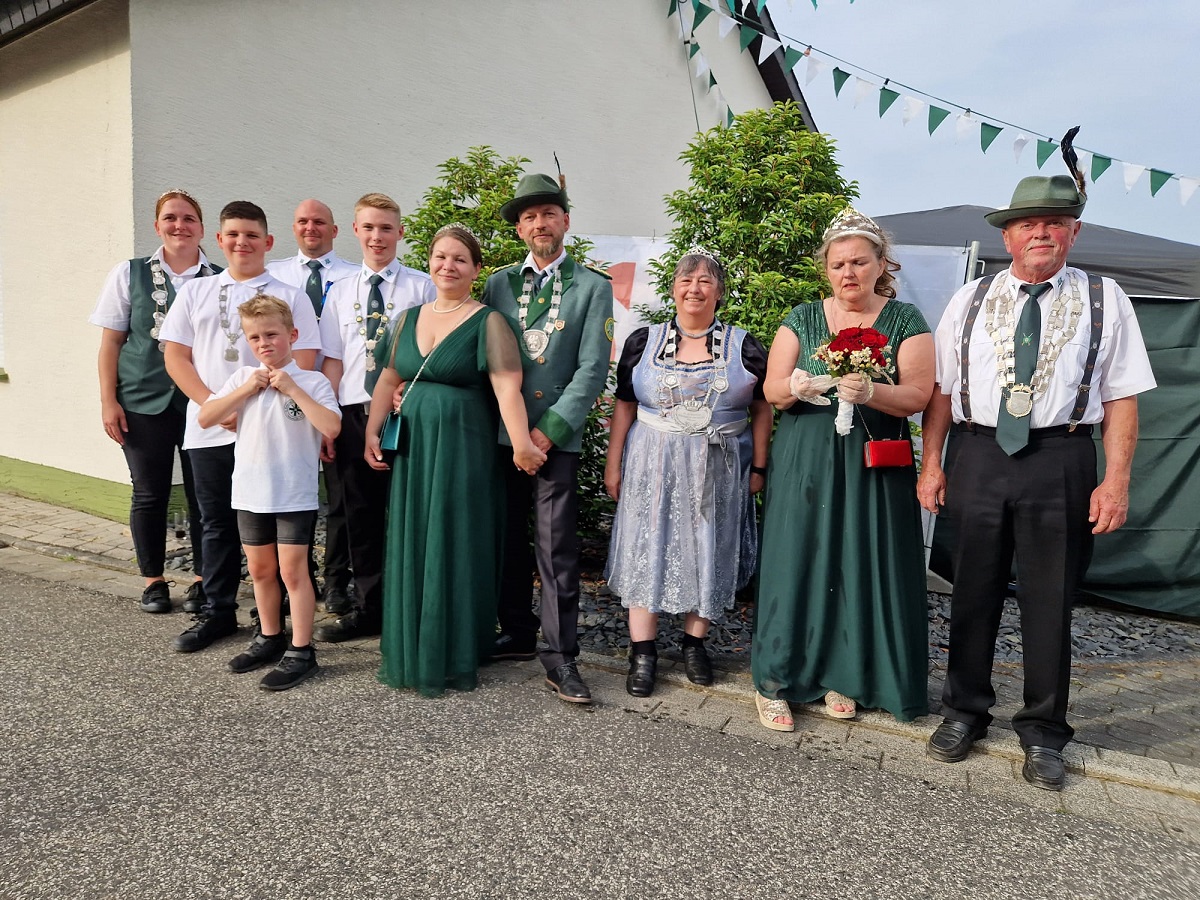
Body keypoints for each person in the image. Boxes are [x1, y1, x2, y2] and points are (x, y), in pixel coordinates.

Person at [917, 173, 1155, 791]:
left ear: (1073, 231)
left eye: (1054, 222)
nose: (1040, 232)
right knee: (972, 590)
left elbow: (1123, 397)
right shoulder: (969, 298)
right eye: (1028, 223)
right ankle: (963, 710)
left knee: (1051, 600)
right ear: (1008, 234)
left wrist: (1117, 480)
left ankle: (1044, 731)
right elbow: (941, 390)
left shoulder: (1106, 298)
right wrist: (932, 461)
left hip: (1062, 455)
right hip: (976, 450)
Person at [752, 207, 935, 731]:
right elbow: (771, 390)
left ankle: (846, 672)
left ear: (882, 264)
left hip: (873, 457)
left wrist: (875, 390)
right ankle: (775, 678)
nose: (848, 272)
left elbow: (919, 395)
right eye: (838, 264)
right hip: (807, 455)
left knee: (860, 557)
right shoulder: (802, 317)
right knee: (798, 556)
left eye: (859, 261)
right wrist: (797, 387)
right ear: (826, 270)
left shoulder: (906, 321)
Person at [363, 224, 545, 695]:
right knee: (414, 535)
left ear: (476, 269)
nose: (449, 266)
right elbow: (388, 378)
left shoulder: (489, 322)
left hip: (465, 447)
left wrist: (522, 443)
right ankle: (416, 643)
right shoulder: (405, 319)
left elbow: (507, 386)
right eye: (441, 257)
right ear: (430, 262)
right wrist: (372, 429)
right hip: (415, 450)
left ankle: (456, 647)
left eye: (460, 259)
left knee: (455, 538)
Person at [604, 250, 770, 697]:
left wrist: (759, 464)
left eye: (704, 281)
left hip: (719, 465)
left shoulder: (745, 345)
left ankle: (695, 643)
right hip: (651, 464)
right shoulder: (644, 341)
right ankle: (643, 652)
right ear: (673, 288)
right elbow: (624, 405)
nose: (694, 288)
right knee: (646, 545)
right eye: (686, 280)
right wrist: (613, 462)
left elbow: (762, 408)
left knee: (710, 545)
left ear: (719, 291)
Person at [160, 201, 321, 654]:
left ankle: (273, 623)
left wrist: (259, 405)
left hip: (272, 432)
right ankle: (218, 611)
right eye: (232, 234)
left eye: (251, 235)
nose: (241, 242)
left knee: (278, 529)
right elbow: (176, 356)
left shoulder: (290, 294)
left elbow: (305, 357)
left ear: (268, 242)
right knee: (215, 523)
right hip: (211, 424)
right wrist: (216, 403)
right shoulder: (196, 291)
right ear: (219, 240)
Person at [482, 173, 614, 705]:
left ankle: (561, 657)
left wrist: (545, 432)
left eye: (549, 214)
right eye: (529, 216)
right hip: (500, 434)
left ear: (566, 221)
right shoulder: (497, 285)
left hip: (555, 439)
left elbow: (591, 369)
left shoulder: (593, 286)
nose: (540, 223)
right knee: (507, 537)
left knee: (556, 548)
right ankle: (514, 630)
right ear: (519, 229)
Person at [198, 295, 341, 690]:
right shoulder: (241, 379)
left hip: (293, 494)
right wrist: (244, 390)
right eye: (255, 337)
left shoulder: (312, 382)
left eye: (272, 334)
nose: (264, 343)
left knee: (293, 573)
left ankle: (301, 650)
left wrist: (293, 389)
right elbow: (206, 416)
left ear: (292, 335)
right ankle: (270, 636)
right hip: (249, 493)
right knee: (261, 571)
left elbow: (330, 427)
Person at [314, 193, 436, 643]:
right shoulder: (340, 291)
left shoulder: (422, 287)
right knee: (360, 516)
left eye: (386, 228)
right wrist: (327, 421)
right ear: (354, 231)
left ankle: (413, 609)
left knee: (408, 512)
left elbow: (433, 353)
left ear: (400, 233)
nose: (377, 236)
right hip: (350, 414)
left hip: (406, 416)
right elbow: (331, 360)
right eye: (369, 227)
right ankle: (370, 609)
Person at [89, 189, 216, 614]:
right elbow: (111, 343)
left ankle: (203, 580)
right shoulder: (129, 274)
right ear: (156, 225)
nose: (179, 225)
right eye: (170, 218)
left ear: (202, 227)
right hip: (142, 400)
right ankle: (153, 580)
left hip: (202, 402)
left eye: (188, 218)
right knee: (149, 493)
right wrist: (109, 401)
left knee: (204, 493)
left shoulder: (218, 278)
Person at [267, 199, 360, 613]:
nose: (311, 228)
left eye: (320, 222)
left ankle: (337, 581)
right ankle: (295, 580)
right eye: (303, 221)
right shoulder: (274, 276)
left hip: (333, 401)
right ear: (293, 227)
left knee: (339, 499)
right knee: (291, 496)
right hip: (284, 404)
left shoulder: (354, 279)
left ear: (335, 230)